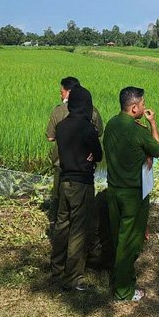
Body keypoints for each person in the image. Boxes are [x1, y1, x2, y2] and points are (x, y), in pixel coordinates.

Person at [103, 86, 159, 302]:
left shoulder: (111, 124)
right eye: (143, 104)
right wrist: (153, 123)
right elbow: (157, 149)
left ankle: (119, 277)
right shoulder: (138, 130)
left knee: (119, 237)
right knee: (130, 243)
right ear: (135, 107)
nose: (145, 107)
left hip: (113, 192)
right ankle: (124, 290)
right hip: (133, 196)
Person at [50, 85, 103, 291]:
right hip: (82, 183)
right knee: (79, 230)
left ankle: (57, 266)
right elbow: (97, 155)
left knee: (62, 224)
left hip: (64, 182)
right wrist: (89, 154)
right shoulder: (87, 127)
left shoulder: (62, 126)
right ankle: (72, 278)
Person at [46, 77, 103, 224]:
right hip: (85, 165)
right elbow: (99, 133)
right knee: (83, 202)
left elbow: (50, 137)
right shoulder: (93, 111)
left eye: (62, 92)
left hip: (62, 161)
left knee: (60, 195)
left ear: (69, 92)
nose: (61, 95)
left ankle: (58, 223)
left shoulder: (58, 111)